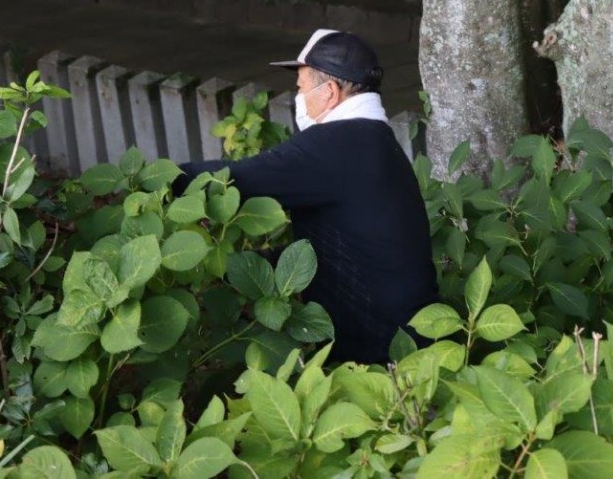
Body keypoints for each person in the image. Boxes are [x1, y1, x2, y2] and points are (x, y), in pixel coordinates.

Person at [177, 29, 437, 364]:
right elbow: (347, 243)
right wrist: (248, 267)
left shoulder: (337, 144)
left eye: (301, 88)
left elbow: (237, 179)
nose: (298, 98)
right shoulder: (375, 141)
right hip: (413, 344)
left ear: (329, 92)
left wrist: (159, 180)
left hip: (379, 360)